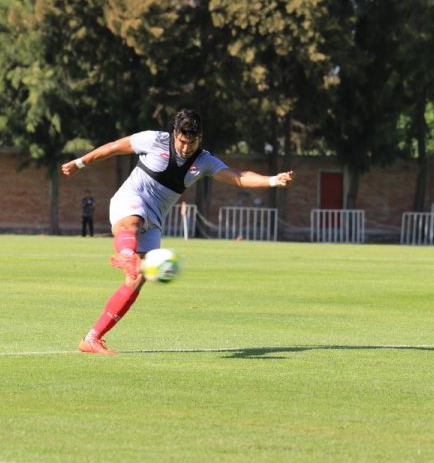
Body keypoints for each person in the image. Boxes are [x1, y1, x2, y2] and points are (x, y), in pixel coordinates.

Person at [61, 108, 294, 355]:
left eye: (191, 142)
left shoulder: (204, 160)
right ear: (174, 134)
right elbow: (114, 147)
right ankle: (127, 253)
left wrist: (272, 180)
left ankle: (92, 338)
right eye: (182, 141)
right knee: (132, 222)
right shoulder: (154, 140)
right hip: (131, 199)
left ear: (200, 137)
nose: (185, 148)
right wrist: (80, 162)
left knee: (136, 280)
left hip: (157, 219)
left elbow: (237, 175)